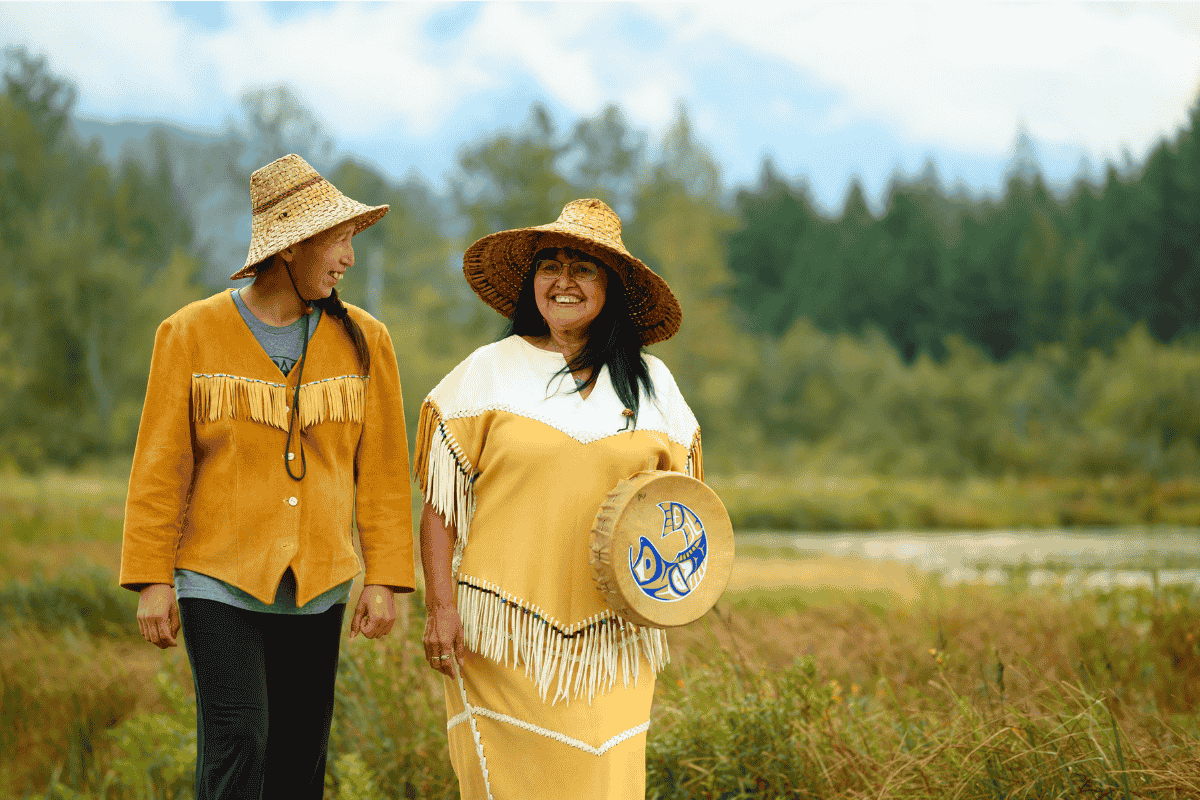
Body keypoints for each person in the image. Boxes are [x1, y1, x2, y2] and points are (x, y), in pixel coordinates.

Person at [119, 154, 416, 800]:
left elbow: (386, 472)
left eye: (350, 241)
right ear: (291, 248)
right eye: (338, 240)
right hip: (217, 580)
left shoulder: (367, 341)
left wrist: (387, 578)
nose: (348, 258)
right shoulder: (189, 335)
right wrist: (151, 580)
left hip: (320, 584)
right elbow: (159, 469)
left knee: (299, 756)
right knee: (241, 739)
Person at [415, 198, 702, 799]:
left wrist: (670, 595)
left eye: (584, 268)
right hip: (499, 636)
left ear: (612, 289)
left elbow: (686, 511)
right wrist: (441, 606)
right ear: (532, 282)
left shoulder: (655, 387)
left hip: (615, 637)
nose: (564, 281)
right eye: (552, 265)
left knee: (606, 785)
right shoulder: (486, 372)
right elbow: (442, 506)